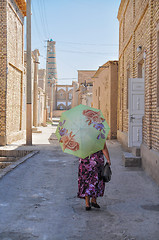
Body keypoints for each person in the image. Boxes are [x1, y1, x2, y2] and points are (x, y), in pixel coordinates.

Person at [77, 141, 111, 210]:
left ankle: (87, 203)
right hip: (96, 160)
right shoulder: (99, 134)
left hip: (84, 161)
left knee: (85, 181)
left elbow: (77, 149)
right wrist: (108, 159)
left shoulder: (81, 136)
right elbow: (104, 148)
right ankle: (94, 200)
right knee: (96, 179)